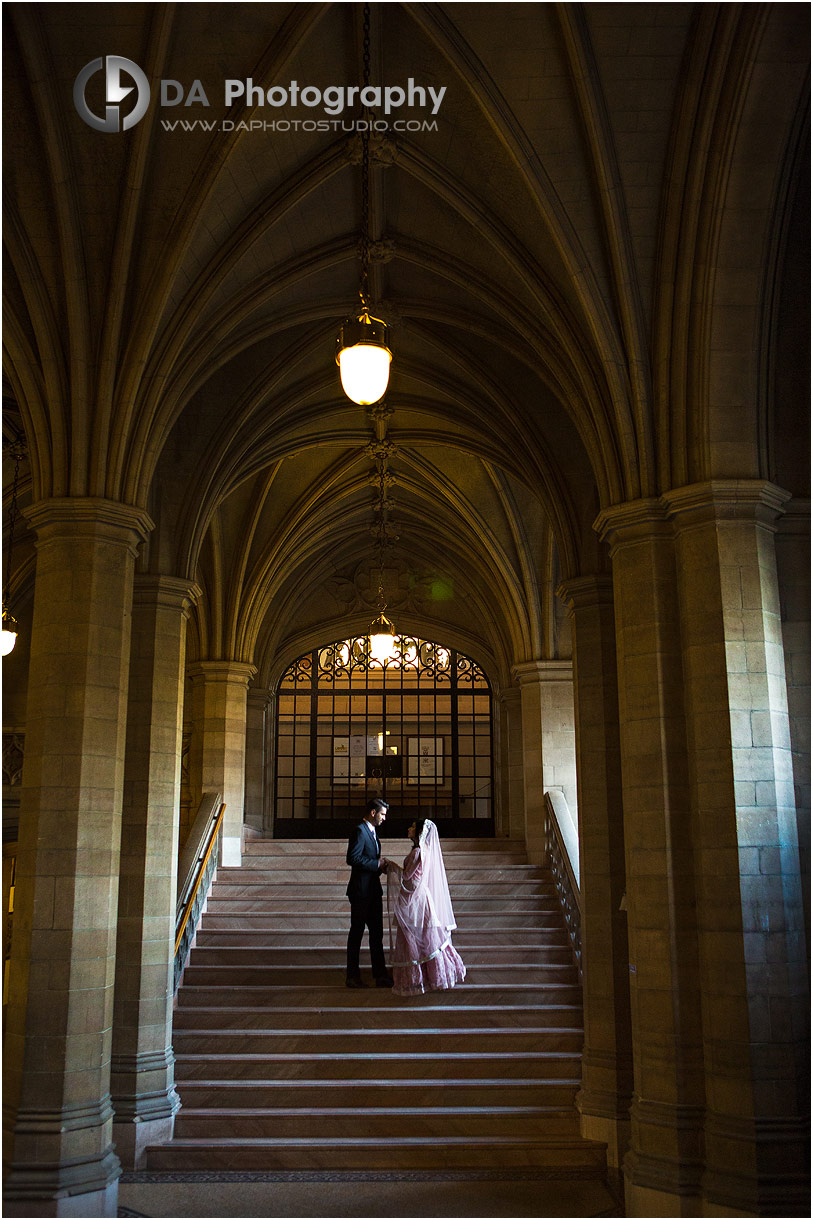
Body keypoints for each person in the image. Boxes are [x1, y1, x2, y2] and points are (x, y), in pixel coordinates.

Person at [385, 818, 466, 997]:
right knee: (424, 937)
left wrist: (391, 866)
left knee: (415, 938)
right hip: (421, 896)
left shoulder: (417, 852)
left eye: (413, 827)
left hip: (416, 899)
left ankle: (418, 979)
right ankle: (430, 976)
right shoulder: (423, 851)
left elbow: (407, 877)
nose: (409, 828)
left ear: (420, 832)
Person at [345, 797, 394, 989]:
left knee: (377, 935)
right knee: (356, 934)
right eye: (382, 814)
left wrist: (380, 867)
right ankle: (352, 977)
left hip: (372, 892)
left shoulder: (372, 832)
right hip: (360, 893)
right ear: (373, 813)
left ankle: (380, 976)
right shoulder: (360, 830)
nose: (384, 818)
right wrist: (376, 864)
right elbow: (353, 858)